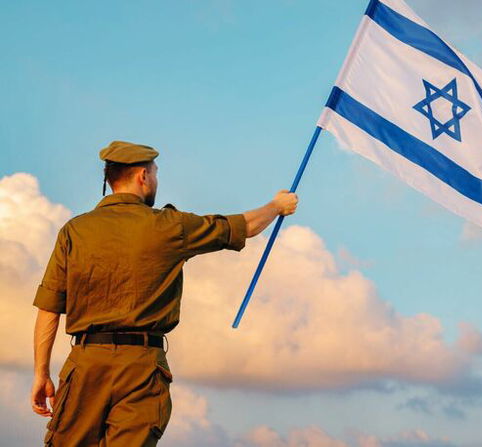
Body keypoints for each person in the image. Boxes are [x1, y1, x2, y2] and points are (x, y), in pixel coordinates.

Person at [30, 140, 298, 446]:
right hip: (142, 369)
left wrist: (41, 373)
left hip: (85, 364)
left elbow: (49, 308)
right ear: (143, 176)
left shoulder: (74, 231)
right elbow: (244, 226)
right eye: (155, 173)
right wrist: (277, 206)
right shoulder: (171, 227)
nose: (155, 180)